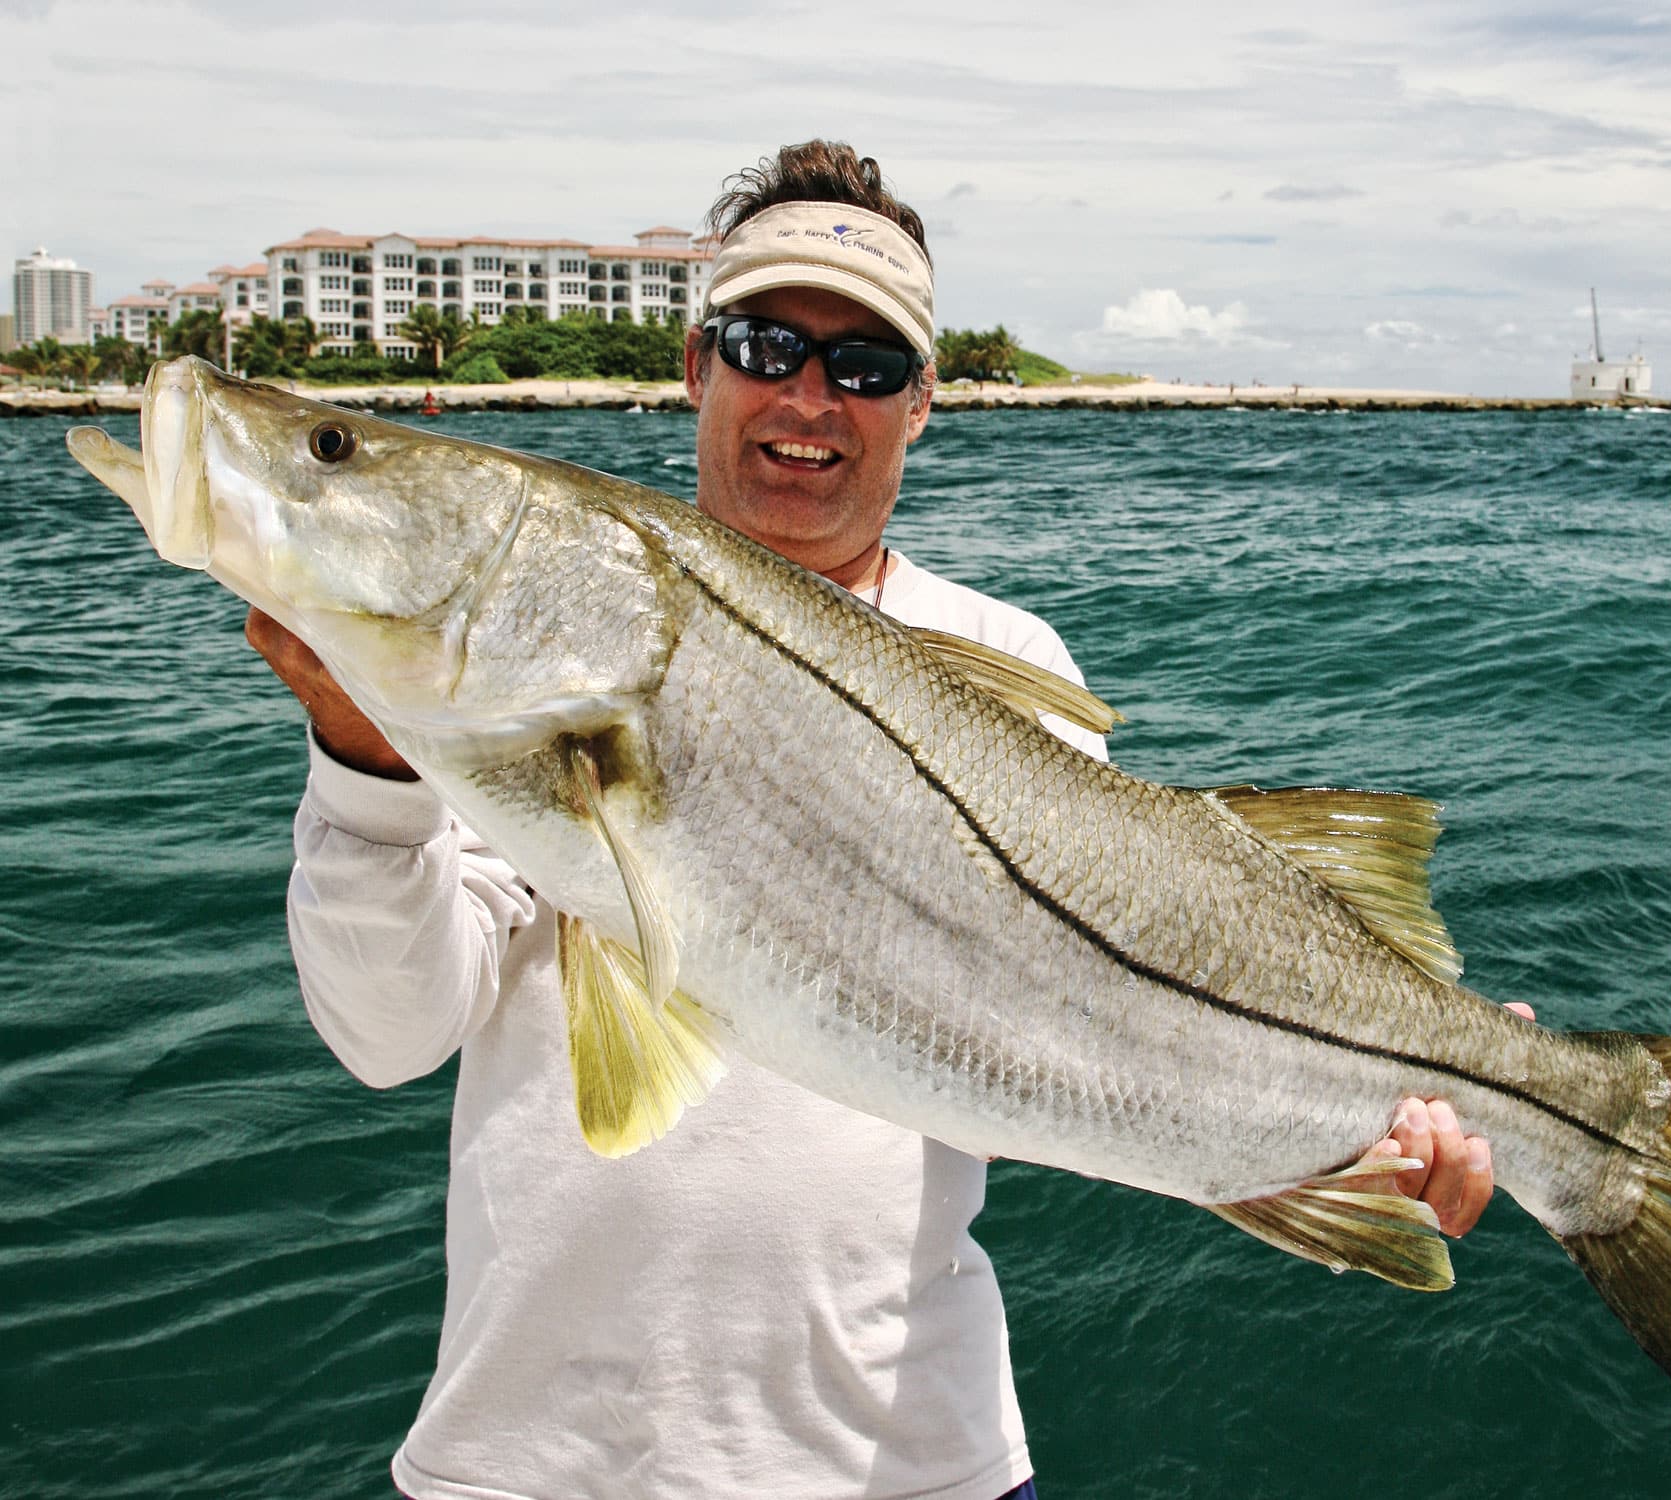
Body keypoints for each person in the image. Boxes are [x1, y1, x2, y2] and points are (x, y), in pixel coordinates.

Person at [245, 141, 1519, 1500]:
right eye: (766, 343)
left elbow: (1124, 1053)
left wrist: (1369, 1132)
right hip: (528, 1464)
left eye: (863, 367)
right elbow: (387, 1038)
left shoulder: (1004, 664)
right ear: (696, 365)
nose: (809, 396)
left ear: (921, 404)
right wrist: (366, 757)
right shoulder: (560, 635)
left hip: (909, 1466)